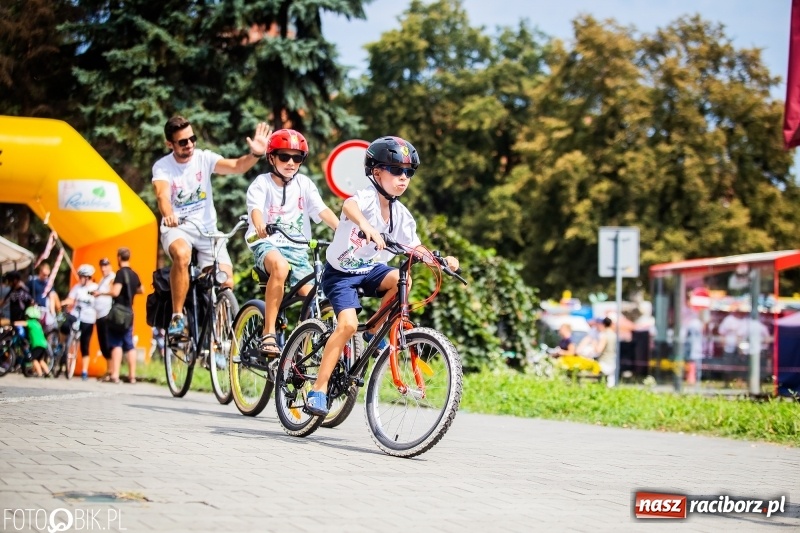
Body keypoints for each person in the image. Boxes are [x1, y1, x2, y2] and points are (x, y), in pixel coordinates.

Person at [305, 136, 459, 416]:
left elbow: (415, 246)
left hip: (369, 270)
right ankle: (318, 389)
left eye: (409, 172)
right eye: (397, 171)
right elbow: (348, 206)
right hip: (341, 274)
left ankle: (373, 331)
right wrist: (366, 226)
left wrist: (439, 260)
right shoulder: (366, 198)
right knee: (347, 325)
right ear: (376, 173)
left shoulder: (401, 215)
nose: (404, 178)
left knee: (402, 281)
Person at [152, 116, 270, 338]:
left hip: (207, 231)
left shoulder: (204, 158)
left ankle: (218, 337)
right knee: (182, 254)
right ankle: (177, 316)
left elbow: (237, 166)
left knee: (226, 280)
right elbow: (162, 195)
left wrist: (255, 154)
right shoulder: (163, 167)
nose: (189, 145)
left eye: (192, 139)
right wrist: (168, 215)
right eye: (182, 142)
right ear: (170, 144)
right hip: (178, 227)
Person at [244, 128, 339, 357]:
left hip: (297, 247)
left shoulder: (304, 184)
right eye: (284, 156)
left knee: (313, 295)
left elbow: (322, 210)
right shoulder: (262, 183)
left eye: (297, 158)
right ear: (271, 158)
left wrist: (342, 229)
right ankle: (268, 333)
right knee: (280, 267)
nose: (290, 162)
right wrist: (260, 224)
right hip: (266, 243)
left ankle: (299, 346)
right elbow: (255, 209)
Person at [103, 247, 142, 384]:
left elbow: (115, 292)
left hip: (119, 312)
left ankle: (115, 375)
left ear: (119, 257)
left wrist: (101, 293)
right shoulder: (134, 274)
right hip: (129, 312)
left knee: (116, 343)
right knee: (129, 344)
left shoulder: (120, 273)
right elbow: (141, 289)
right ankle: (132, 376)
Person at [60, 264, 98, 380]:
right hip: (76, 315)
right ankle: (62, 346)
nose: (80, 278)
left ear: (88, 277)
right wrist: (63, 303)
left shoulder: (96, 288)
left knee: (85, 344)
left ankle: (84, 371)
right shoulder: (77, 287)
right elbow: (71, 299)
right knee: (64, 326)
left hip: (88, 318)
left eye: (82, 276)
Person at [92, 258, 116, 365]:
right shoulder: (103, 279)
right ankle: (109, 368)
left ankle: (112, 369)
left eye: (105, 266)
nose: (103, 269)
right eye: (102, 266)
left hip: (107, 314)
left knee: (107, 343)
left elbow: (114, 292)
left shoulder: (112, 277)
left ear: (110, 266)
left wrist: (100, 293)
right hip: (99, 315)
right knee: (103, 344)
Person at [13, 304, 49, 377]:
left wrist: (13, 323)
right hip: (44, 344)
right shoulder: (38, 324)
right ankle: (48, 373)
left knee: (34, 359)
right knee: (40, 360)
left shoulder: (31, 322)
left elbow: (23, 323)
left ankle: (39, 374)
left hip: (37, 345)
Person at [594, 317, 617, 387]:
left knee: (603, 382)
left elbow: (599, 350)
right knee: (611, 382)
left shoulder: (604, 335)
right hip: (613, 360)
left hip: (604, 361)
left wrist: (594, 343)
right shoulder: (614, 334)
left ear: (603, 324)